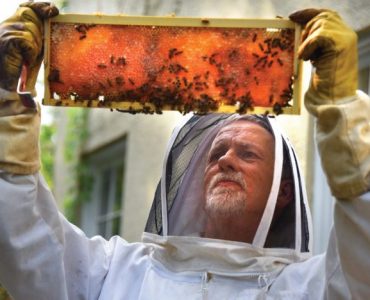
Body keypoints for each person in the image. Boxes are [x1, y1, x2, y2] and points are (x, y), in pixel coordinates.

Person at [0, 2, 369, 299]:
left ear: (283, 191)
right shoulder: (112, 271)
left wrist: (343, 110)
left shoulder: (311, 287)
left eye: (247, 154)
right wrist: (7, 103)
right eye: (216, 152)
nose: (225, 159)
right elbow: (24, 243)